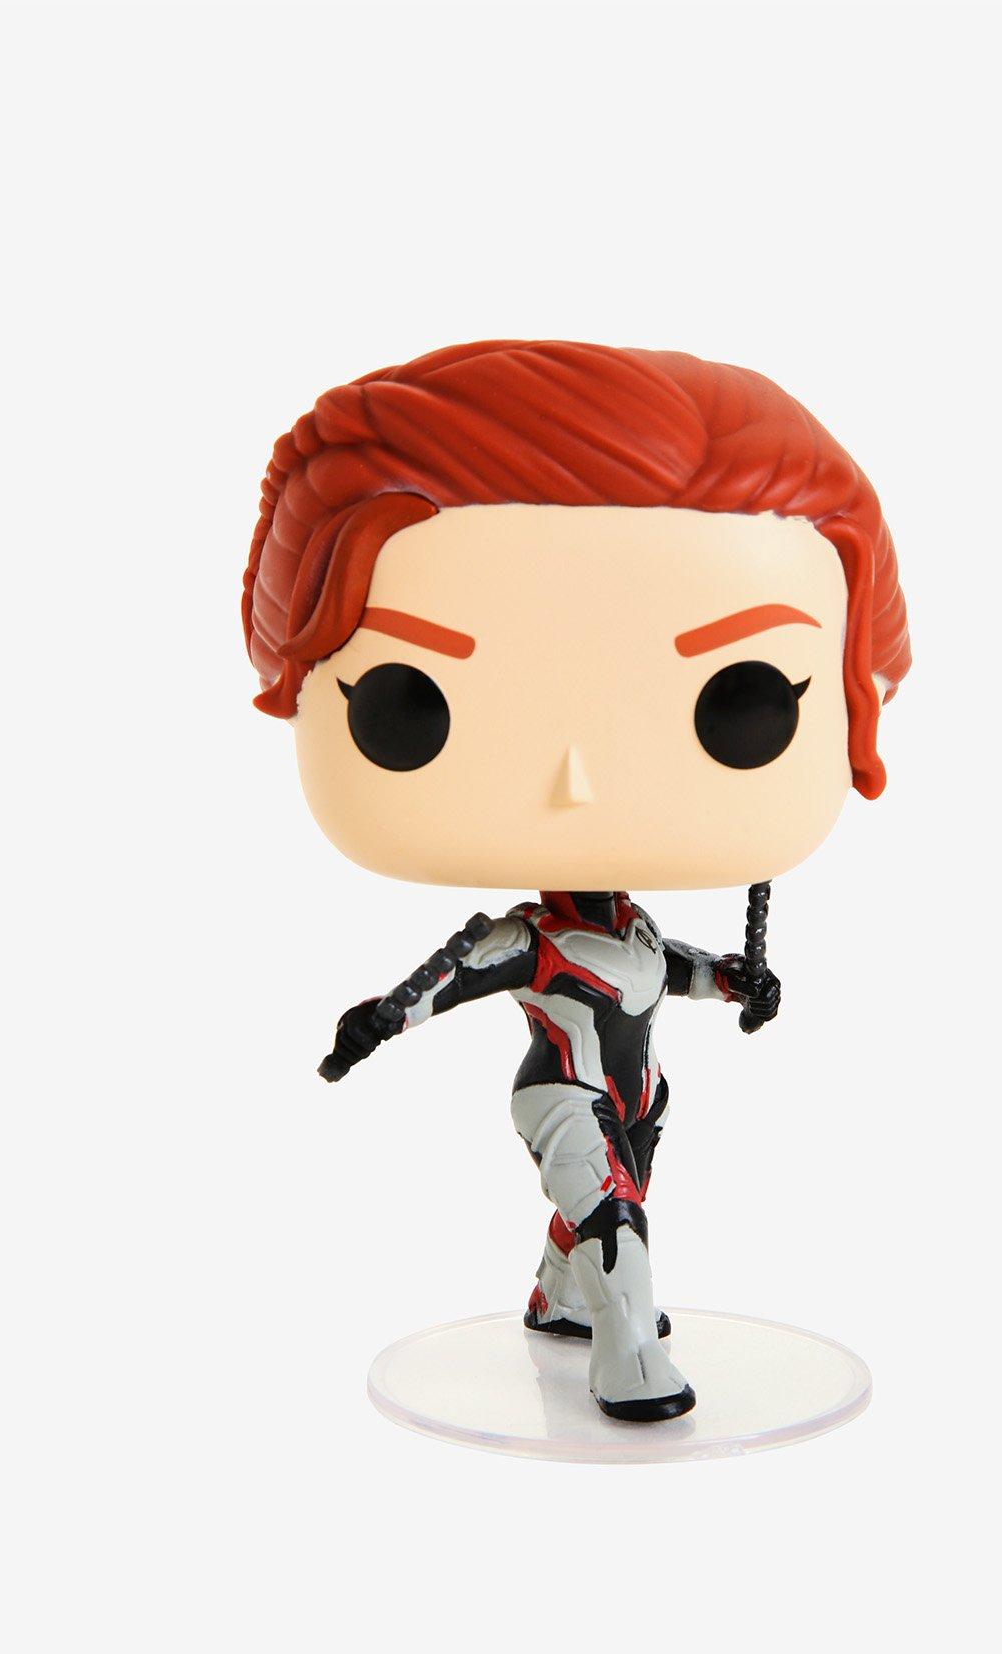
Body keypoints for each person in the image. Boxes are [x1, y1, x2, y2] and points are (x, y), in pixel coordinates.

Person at [242, 339, 910, 1421]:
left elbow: (671, 971)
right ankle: (629, 1362)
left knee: (610, 1200)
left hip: (636, 1093)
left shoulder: (633, 932)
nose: (577, 783)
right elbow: (454, 975)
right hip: (564, 1097)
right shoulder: (532, 940)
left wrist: (736, 982)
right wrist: (380, 1021)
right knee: (614, 1215)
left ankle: (558, 1300)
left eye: (743, 701)